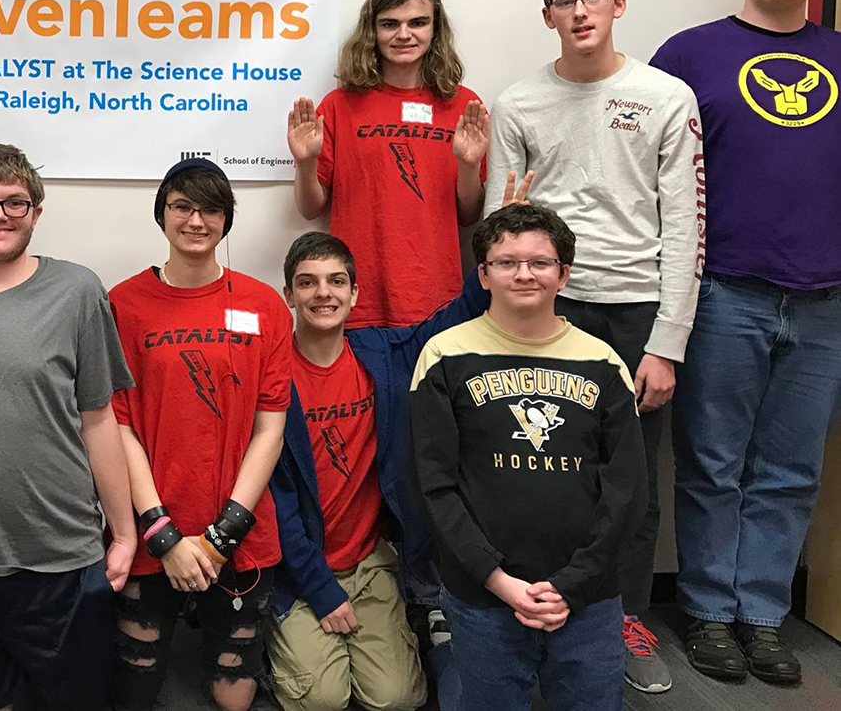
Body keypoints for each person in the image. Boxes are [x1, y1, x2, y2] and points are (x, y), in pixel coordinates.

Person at [481, 0, 702, 694]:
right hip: (548, 307)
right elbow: (498, 224)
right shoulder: (517, 102)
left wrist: (667, 342)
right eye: (565, 0)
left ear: (619, 4)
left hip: (635, 311)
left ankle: (624, 619)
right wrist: (505, 314)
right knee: (538, 470)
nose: (580, 11)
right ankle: (534, 617)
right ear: (546, 14)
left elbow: (685, 226)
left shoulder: (667, 95)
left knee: (628, 479)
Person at [650, 0, 841, 686]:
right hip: (725, 289)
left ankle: (764, 614)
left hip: (825, 297)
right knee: (714, 463)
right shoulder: (690, 54)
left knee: (792, 469)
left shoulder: (838, 54)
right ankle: (707, 610)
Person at [267, 172, 529, 711]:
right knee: (322, 700)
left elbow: (459, 312)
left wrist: (501, 235)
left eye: (337, 281)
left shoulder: (384, 355)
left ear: (355, 292)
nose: (324, 294)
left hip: (372, 560)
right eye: (309, 282)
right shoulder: (272, 373)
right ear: (288, 292)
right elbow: (275, 499)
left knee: (397, 700)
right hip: (299, 564)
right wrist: (318, 588)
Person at [0, 144, 136, 711]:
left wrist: (125, 533)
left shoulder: (77, 291)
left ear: (36, 212)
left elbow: (100, 419)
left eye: (15, 203)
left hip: (62, 556)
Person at [410, 202, 647, 711]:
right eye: (506, 261)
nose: (524, 273)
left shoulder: (603, 362)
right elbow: (433, 485)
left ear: (563, 273)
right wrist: (496, 580)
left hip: (589, 597)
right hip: (483, 594)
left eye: (540, 262)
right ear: (483, 274)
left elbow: (626, 490)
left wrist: (573, 584)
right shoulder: (443, 355)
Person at [109, 158, 289, 711]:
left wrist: (220, 537)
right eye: (182, 206)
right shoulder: (123, 304)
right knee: (136, 687)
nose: (196, 220)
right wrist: (162, 535)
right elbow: (118, 426)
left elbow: (270, 428)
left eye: (211, 209)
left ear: (227, 219)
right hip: (149, 533)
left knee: (233, 697)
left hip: (238, 535)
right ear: (162, 213)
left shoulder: (263, 306)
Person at [287, 0, 488, 329]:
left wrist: (469, 165)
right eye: (390, 24)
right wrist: (305, 163)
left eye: (418, 22)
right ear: (372, 31)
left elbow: (469, 215)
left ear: (435, 29)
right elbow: (309, 209)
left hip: (436, 297)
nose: (404, 34)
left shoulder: (463, 105)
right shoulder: (338, 105)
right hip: (357, 299)